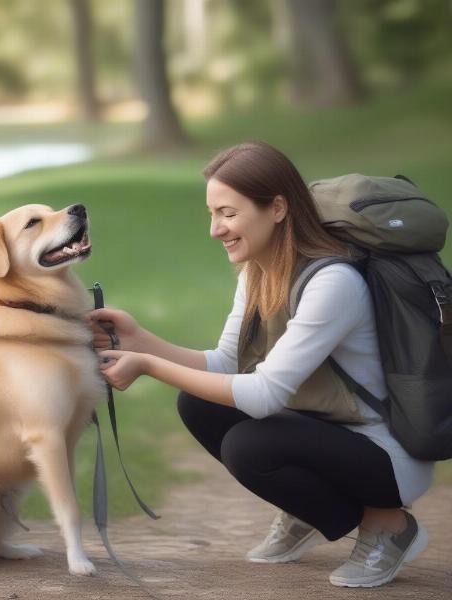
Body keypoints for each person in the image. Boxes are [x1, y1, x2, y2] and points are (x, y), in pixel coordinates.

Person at [85, 140, 434, 588]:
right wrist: (139, 339)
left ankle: (388, 525)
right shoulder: (258, 271)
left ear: (277, 208)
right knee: (198, 404)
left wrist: (148, 366)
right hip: (327, 431)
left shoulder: (333, 281)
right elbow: (227, 362)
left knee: (250, 446)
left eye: (228, 213)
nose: (215, 229)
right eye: (212, 214)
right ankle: (305, 510)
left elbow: (264, 393)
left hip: (384, 453)